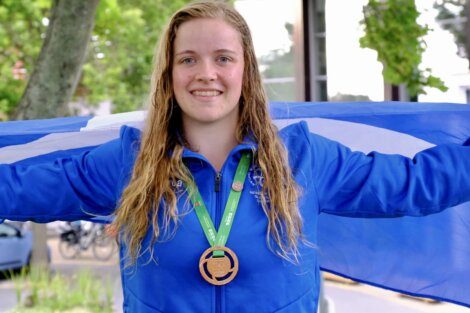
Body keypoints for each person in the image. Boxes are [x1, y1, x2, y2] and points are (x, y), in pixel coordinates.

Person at [1, 1, 470, 312]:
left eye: (223, 57)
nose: (206, 73)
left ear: (246, 70)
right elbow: (19, 188)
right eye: (188, 59)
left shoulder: (303, 158)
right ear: (169, 73)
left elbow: (416, 183)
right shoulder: (125, 163)